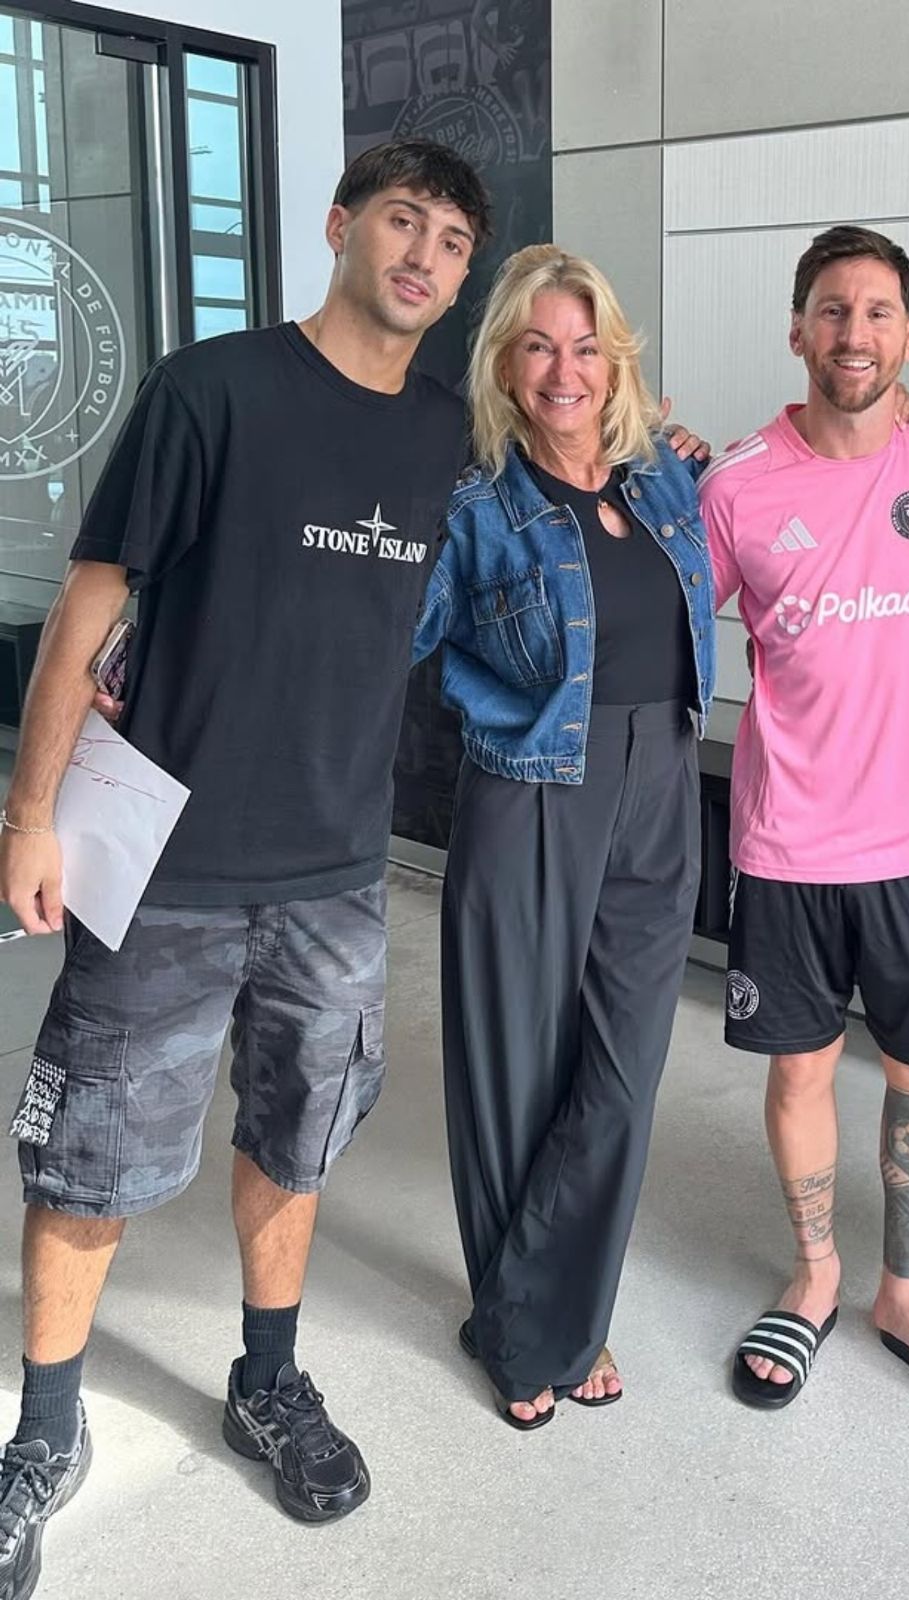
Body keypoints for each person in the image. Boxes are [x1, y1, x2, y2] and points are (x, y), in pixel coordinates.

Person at [0, 141, 489, 1596]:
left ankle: (266, 1379)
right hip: (168, 866)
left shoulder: (446, 436)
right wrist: (28, 815)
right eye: (401, 220)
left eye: (452, 240)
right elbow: (89, 606)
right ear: (341, 227)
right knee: (90, 1157)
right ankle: (45, 1433)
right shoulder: (209, 391)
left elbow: (572, 462)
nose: (423, 255)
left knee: (296, 1139)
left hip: (337, 875)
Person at [704, 225, 909, 1429]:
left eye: (879, 311)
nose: (855, 333)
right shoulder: (737, 483)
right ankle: (816, 1275)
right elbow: (666, 615)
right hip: (786, 840)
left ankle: (906, 1291)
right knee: (799, 1067)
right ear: (796, 329)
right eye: (832, 310)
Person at [412, 245, 714, 1429]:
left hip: (662, 782)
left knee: (624, 1066)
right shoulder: (474, 505)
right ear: (503, 363)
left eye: (585, 345)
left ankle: (526, 1308)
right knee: (515, 1066)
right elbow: (381, 628)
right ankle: (540, 1325)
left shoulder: (662, 478)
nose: (563, 370)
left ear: (614, 358)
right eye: (537, 345)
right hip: (532, 787)